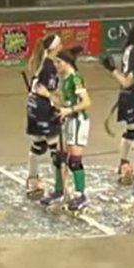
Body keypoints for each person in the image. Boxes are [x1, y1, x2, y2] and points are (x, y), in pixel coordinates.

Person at [103, 23, 134, 185]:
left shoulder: (130, 48)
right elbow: (128, 80)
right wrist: (112, 70)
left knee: (132, 131)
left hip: (131, 93)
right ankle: (126, 164)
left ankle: (125, 163)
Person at [51, 47, 91, 213]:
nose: (56, 65)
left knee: (74, 160)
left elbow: (87, 102)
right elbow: (64, 99)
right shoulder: (65, 78)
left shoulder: (75, 78)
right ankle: (60, 190)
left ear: (67, 63)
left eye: (58, 62)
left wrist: (69, 110)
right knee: (60, 157)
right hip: (69, 121)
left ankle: (81, 195)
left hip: (78, 121)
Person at [24, 34, 62, 199]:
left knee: (38, 144)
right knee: (55, 147)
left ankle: (32, 180)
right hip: (42, 108)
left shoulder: (41, 63)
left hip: (32, 107)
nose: (62, 46)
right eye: (60, 44)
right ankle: (60, 185)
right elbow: (49, 92)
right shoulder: (49, 67)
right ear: (53, 48)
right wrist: (57, 103)